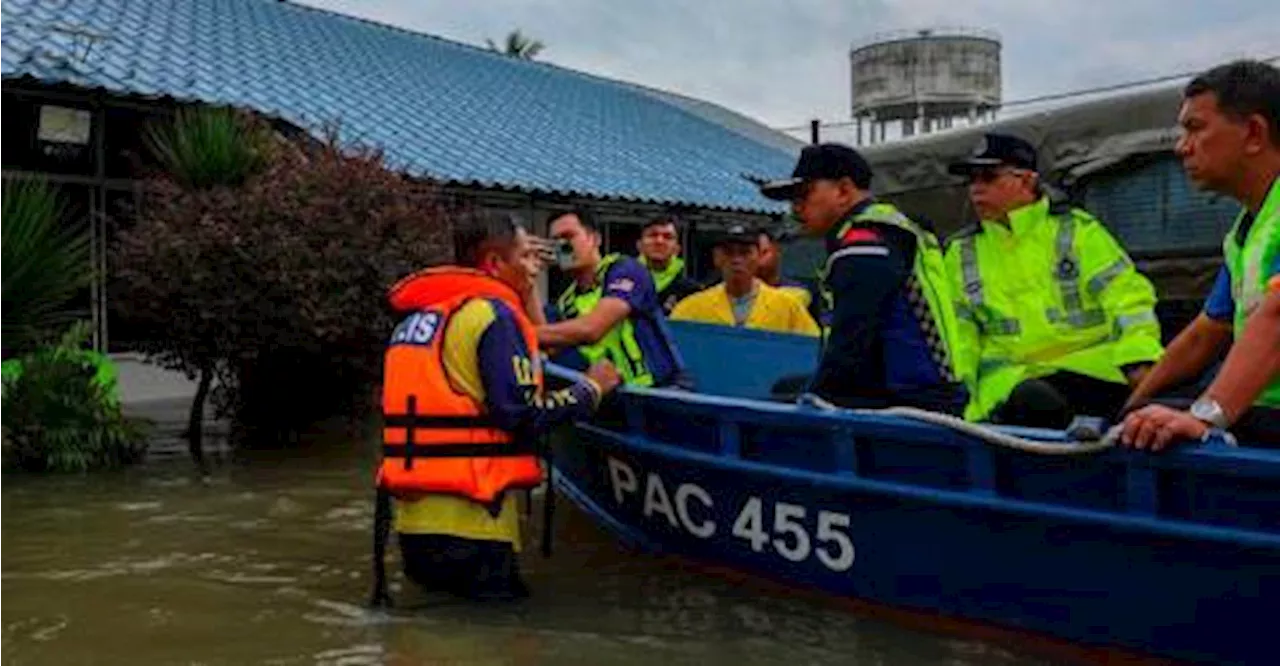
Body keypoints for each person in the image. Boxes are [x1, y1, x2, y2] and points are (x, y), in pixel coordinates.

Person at [371, 212, 620, 604]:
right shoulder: (494, 317)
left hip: (411, 522)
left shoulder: (421, 319)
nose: (532, 267)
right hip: (473, 523)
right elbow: (521, 415)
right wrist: (591, 389)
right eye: (524, 256)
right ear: (494, 263)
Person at [942, 132, 1164, 429]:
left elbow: (1128, 298)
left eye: (988, 177)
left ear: (1027, 181)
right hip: (1010, 385)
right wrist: (958, 394)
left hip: (1089, 374)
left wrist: (1139, 360)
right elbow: (960, 335)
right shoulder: (960, 252)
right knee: (1030, 401)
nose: (976, 189)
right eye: (971, 180)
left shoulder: (1078, 232)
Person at [1121, 60, 1280, 450]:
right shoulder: (1247, 231)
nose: (1181, 147)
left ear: (1254, 133)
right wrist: (1128, 409)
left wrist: (1202, 417)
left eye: (1195, 128)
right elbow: (1205, 333)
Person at [757, 143, 968, 414]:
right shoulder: (892, 228)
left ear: (844, 190)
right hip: (925, 392)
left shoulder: (866, 243)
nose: (796, 207)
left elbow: (851, 341)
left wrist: (814, 400)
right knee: (788, 388)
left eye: (804, 194)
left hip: (910, 403)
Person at [538, 208, 687, 388]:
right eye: (556, 241)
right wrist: (528, 278)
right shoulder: (566, 302)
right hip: (616, 397)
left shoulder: (627, 270)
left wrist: (523, 333)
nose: (563, 246)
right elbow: (548, 342)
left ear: (595, 239)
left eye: (569, 237)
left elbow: (591, 330)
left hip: (661, 392)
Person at [670, 223, 820, 336]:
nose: (736, 260)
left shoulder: (787, 306)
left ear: (759, 257)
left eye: (745, 253)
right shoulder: (690, 308)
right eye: (729, 253)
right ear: (717, 258)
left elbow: (810, 349)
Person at [756, 226, 823, 324]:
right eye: (754, 254)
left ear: (777, 251)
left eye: (764, 253)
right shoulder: (738, 294)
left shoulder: (800, 292)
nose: (759, 261)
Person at [636, 214, 701, 314]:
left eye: (668, 237)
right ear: (639, 245)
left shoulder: (692, 291)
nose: (659, 241)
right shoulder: (621, 282)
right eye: (653, 235)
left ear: (677, 249)